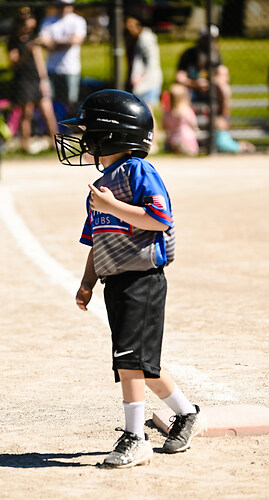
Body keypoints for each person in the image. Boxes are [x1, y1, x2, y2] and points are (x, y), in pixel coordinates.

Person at [54, 89, 206, 469]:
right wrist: (87, 281)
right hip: (116, 282)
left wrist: (113, 205)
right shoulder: (105, 181)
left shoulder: (139, 171)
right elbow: (97, 240)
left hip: (143, 279)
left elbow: (158, 218)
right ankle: (186, 415)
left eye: (89, 134)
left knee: (129, 360)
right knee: (141, 362)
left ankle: (135, 437)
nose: (82, 141)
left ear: (112, 136)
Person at [7, 7, 58, 153]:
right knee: (27, 113)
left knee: (48, 111)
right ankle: (25, 145)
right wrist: (25, 52)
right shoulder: (14, 42)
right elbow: (14, 64)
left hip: (36, 79)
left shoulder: (32, 39)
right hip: (23, 80)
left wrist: (44, 79)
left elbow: (39, 61)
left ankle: (55, 142)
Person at [36, 0, 87, 117]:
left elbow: (76, 40)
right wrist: (65, 42)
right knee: (50, 99)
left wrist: (54, 43)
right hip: (51, 68)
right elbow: (42, 41)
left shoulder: (78, 20)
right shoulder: (48, 21)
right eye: (61, 4)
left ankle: (69, 127)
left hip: (71, 68)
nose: (63, 7)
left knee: (70, 100)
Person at [124, 15, 163, 154]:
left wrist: (140, 77)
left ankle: (154, 142)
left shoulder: (146, 39)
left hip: (148, 81)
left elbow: (151, 63)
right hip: (143, 81)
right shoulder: (138, 40)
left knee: (148, 113)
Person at [176, 25, 231, 118]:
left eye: (214, 39)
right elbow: (179, 76)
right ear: (201, 38)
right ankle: (186, 123)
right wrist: (193, 83)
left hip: (210, 89)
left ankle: (222, 120)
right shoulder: (189, 54)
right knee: (178, 90)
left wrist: (211, 83)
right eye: (207, 39)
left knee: (224, 87)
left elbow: (223, 75)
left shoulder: (216, 55)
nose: (211, 42)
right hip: (191, 88)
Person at [162, 83, 199, 156]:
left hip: (173, 140)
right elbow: (193, 124)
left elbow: (164, 126)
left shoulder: (168, 113)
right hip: (187, 139)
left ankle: (177, 148)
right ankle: (188, 149)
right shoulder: (187, 111)